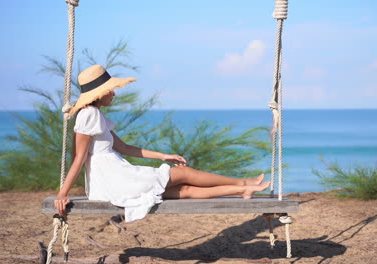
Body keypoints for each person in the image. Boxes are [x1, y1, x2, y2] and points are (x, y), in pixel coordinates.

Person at [54, 64, 270, 222]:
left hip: (115, 179)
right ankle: (244, 182)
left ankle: (241, 190)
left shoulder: (95, 115)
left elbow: (125, 148)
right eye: (110, 89)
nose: (114, 92)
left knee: (184, 191)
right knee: (184, 174)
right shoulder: (88, 114)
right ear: (99, 94)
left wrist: (162, 156)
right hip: (116, 180)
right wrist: (63, 194)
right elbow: (79, 158)